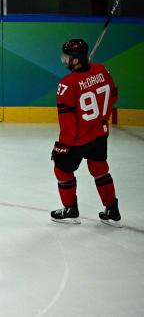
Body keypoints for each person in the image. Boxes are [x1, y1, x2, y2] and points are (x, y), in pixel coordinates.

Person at [50, 38, 121, 227]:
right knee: (99, 169)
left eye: (67, 57)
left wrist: (63, 146)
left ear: (75, 60)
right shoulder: (102, 69)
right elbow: (113, 96)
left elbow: (67, 122)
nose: (64, 60)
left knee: (62, 170)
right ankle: (112, 210)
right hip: (100, 133)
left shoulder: (67, 83)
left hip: (78, 139)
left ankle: (70, 210)